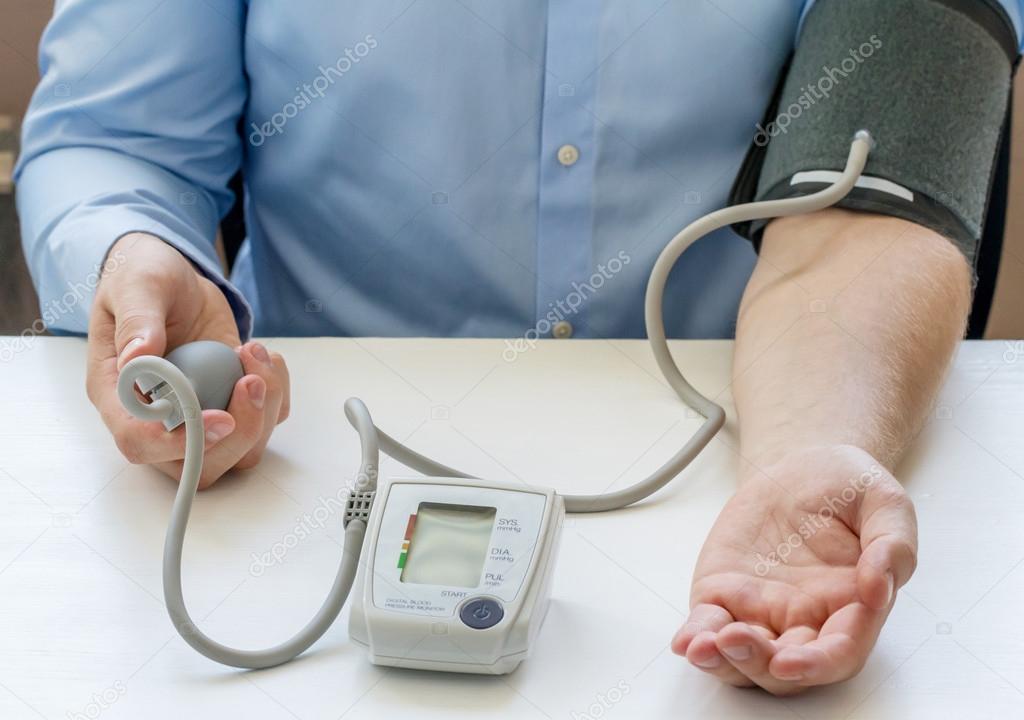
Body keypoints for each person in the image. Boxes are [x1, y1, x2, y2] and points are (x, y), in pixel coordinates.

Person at [14, 0, 1022, 695]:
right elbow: (119, 139)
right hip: (289, 485)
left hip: (726, 482)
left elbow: (872, 199)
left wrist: (814, 446)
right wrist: (135, 256)